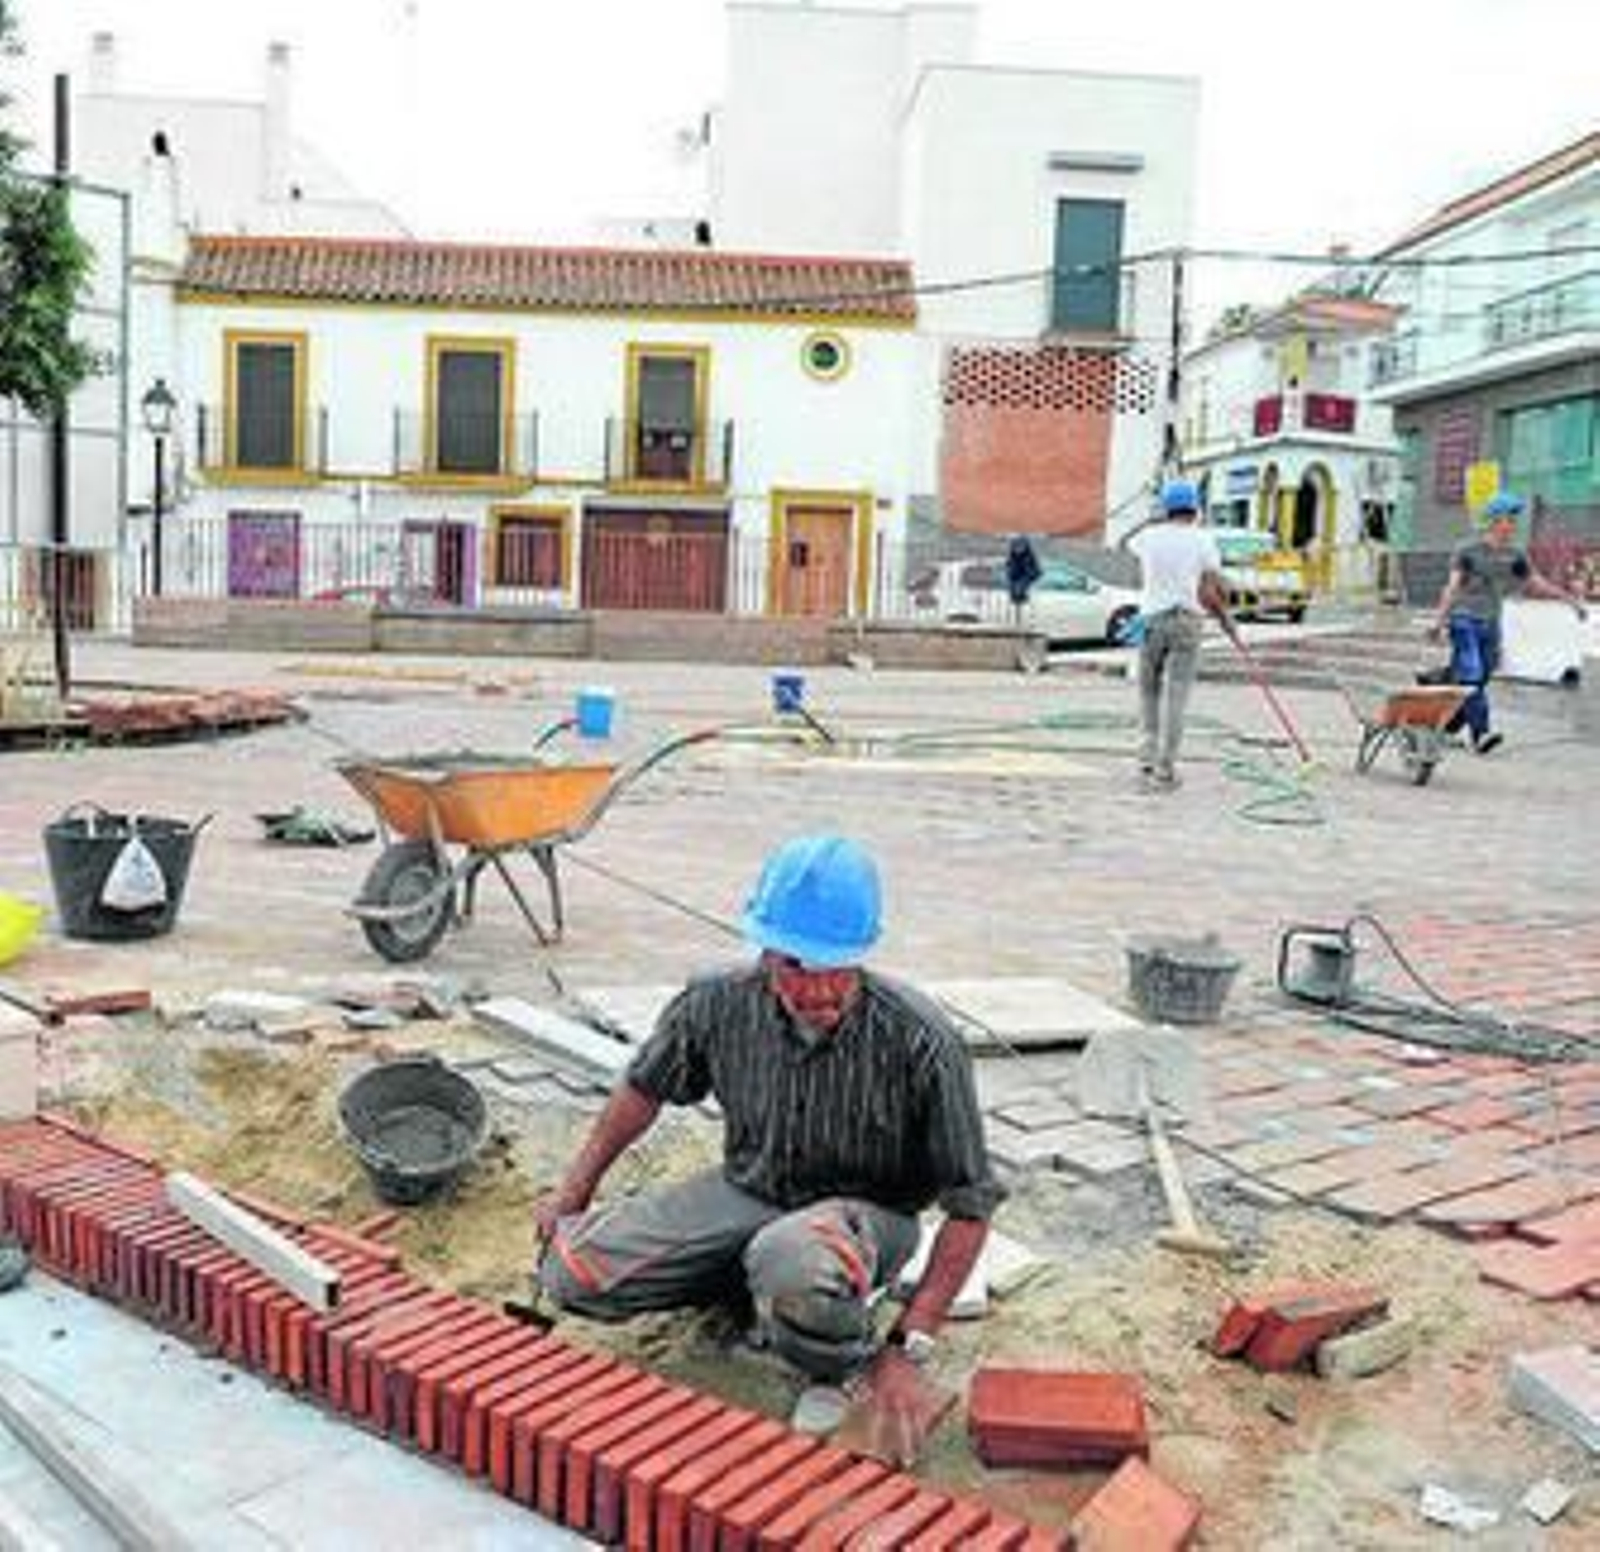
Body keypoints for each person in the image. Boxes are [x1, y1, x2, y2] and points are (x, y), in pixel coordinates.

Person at [533, 834, 1001, 1461]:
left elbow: (971, 1206)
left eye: (838, 966)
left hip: (865, 1222)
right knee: (573, 1272)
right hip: (748, 1191)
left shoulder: (920, 1039)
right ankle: (750, 1288)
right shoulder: (716, 1002)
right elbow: (642, 1089)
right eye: (797, 967)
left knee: (796, 1261)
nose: (821, 990)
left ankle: (828, 1353)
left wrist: (907, 1347)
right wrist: (571, 1194)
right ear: (764, 951)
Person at [1430, 490, 1589, 754]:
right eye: (1509, 519)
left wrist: (1570, 601)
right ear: (1494, 520)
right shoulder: (1468, 550)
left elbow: (1535, 582)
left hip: (1491, 624)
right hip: (1464, 620)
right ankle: (1481, 734)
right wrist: (1438, 621)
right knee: (1472, 673)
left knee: (1478, 678)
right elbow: (1452, 587)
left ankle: (1445, 725)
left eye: (1515, 519)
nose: (1513, 525)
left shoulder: (1515, 555)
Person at [1127, 479, 1239, 789]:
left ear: (1165, 507)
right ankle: (1166, 767)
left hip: (1151, 621)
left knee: (1148, 692)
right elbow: (1216, 585)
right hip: (1187, 622)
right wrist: (1226, 616)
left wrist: (1153, 518)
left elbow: (1126, 542)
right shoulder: (1204, 540)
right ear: (1196, 508)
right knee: (1176, 695)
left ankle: (1145, 759)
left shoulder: (1148, 536)